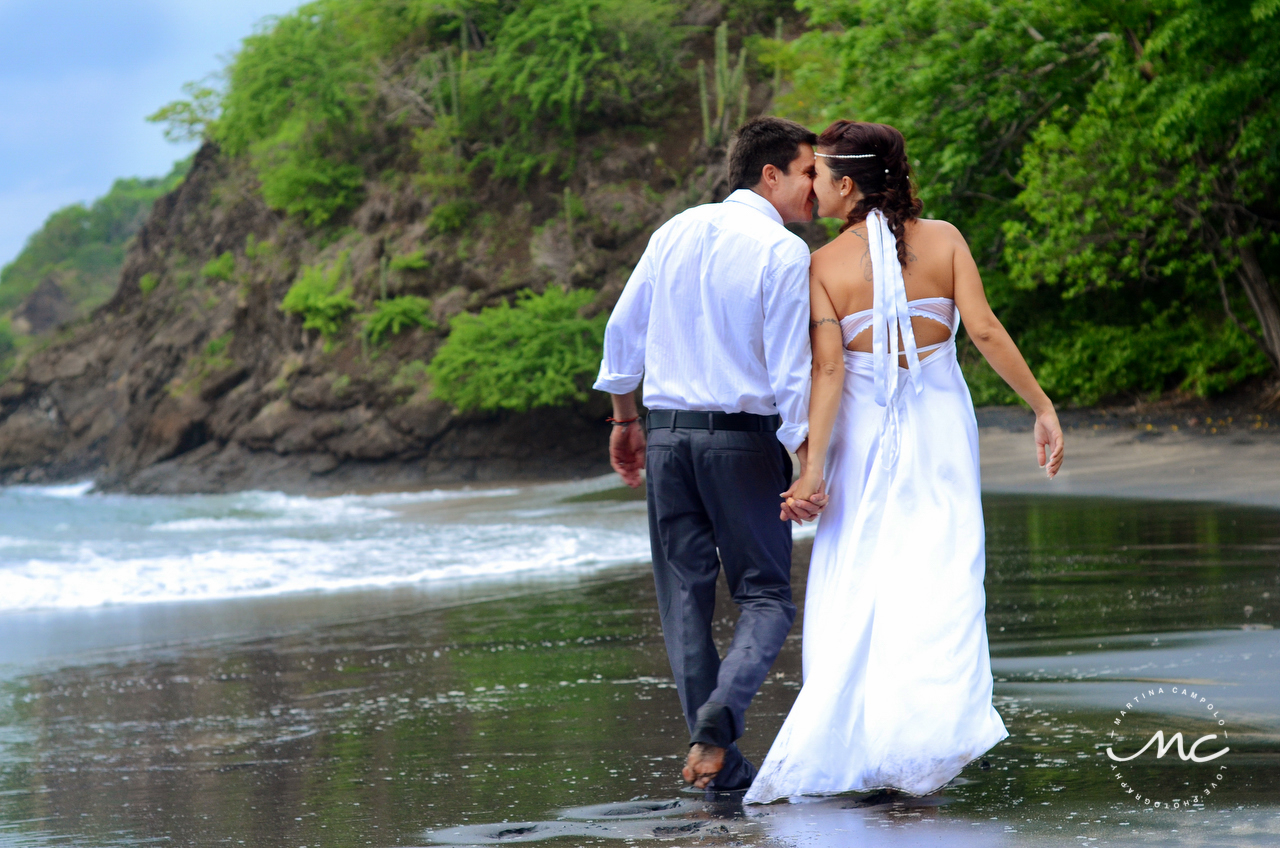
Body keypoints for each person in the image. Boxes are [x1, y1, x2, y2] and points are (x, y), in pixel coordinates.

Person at [745, 120, 1065, 803]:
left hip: (862, 437)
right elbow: (982, 329)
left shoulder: (823, 266)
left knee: (861, 570)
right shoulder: (945, 239)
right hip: (940, 428)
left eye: (821, 175)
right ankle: (926, 738)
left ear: (849, 184)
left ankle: (861, 737)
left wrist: (813, 469)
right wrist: (1041, 406)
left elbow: (829, 372)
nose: (814, 186)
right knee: (942, 570)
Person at [593, 117, 827, 792]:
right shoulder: (781, 252)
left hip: (666, 438)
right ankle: (718, 723)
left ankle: (714, 749)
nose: (816, 187)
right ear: (770, 174)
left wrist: (624, 418)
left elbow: (621, 327)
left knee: (683, 599)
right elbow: (791, 374)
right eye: (808, 172)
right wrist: (806, 462)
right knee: (766, 596)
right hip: (742, 443)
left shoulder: (674, 230)